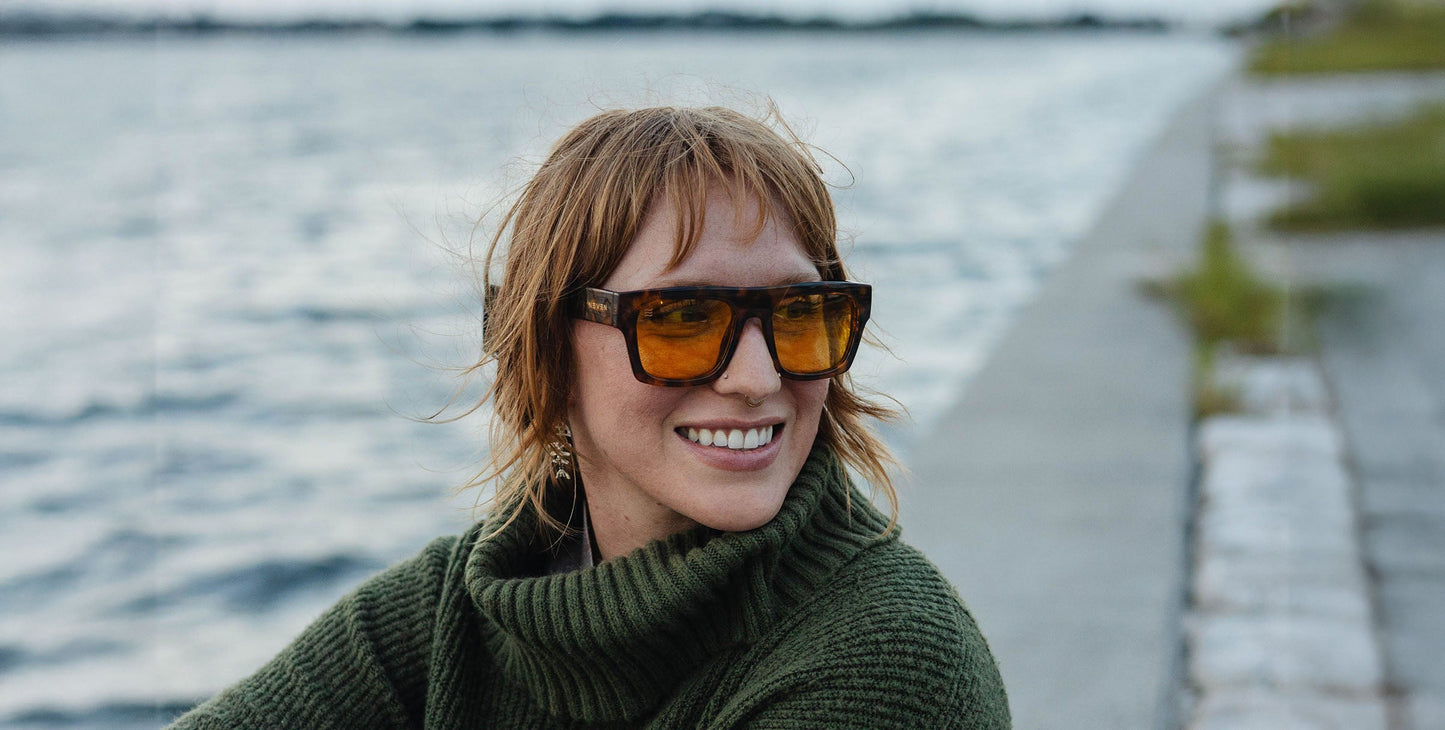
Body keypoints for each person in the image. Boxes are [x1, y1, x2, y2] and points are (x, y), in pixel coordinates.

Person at [168, 104, 1009, 729]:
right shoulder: (463, 608)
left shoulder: (890, 657)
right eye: (680, 321)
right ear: (540, 342)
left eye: (798, 316)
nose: (756, 379)